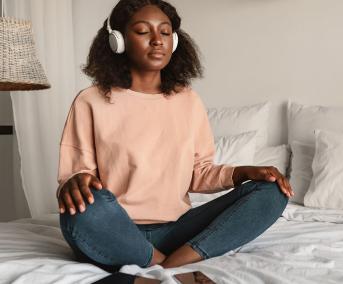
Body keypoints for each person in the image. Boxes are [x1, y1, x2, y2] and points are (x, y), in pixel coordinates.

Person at [56, 0, 293, 273]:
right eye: (143, 32)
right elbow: (75, 177)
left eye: (165, 32)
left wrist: (242, 172)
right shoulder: (91, 101)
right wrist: (76, 182)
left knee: (273, 190)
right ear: (117, 41)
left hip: (177, 231)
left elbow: (199, 173)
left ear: (175, 41)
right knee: (83, 210)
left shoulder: (188, 100)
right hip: (115, 227)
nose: (157, 41)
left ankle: (172, 261)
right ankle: (160, 262)